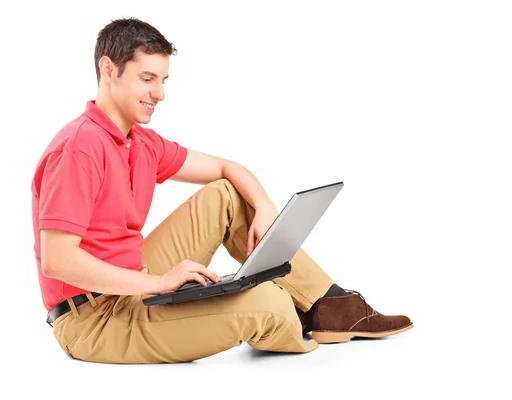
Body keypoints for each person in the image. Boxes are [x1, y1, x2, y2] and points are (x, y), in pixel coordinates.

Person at [30, 17, 413, 364]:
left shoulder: (139, 142)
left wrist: (263, 205)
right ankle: (288, 313)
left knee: (228, 196)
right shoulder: (79, 147)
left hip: (132, 278)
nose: (159, 94)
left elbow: (227, 169)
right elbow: (58, 260)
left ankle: (331, 304)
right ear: (108, 69)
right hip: (92, 320)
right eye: (147, 79)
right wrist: (158, 284)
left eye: (163, 80)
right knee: (271, 304)